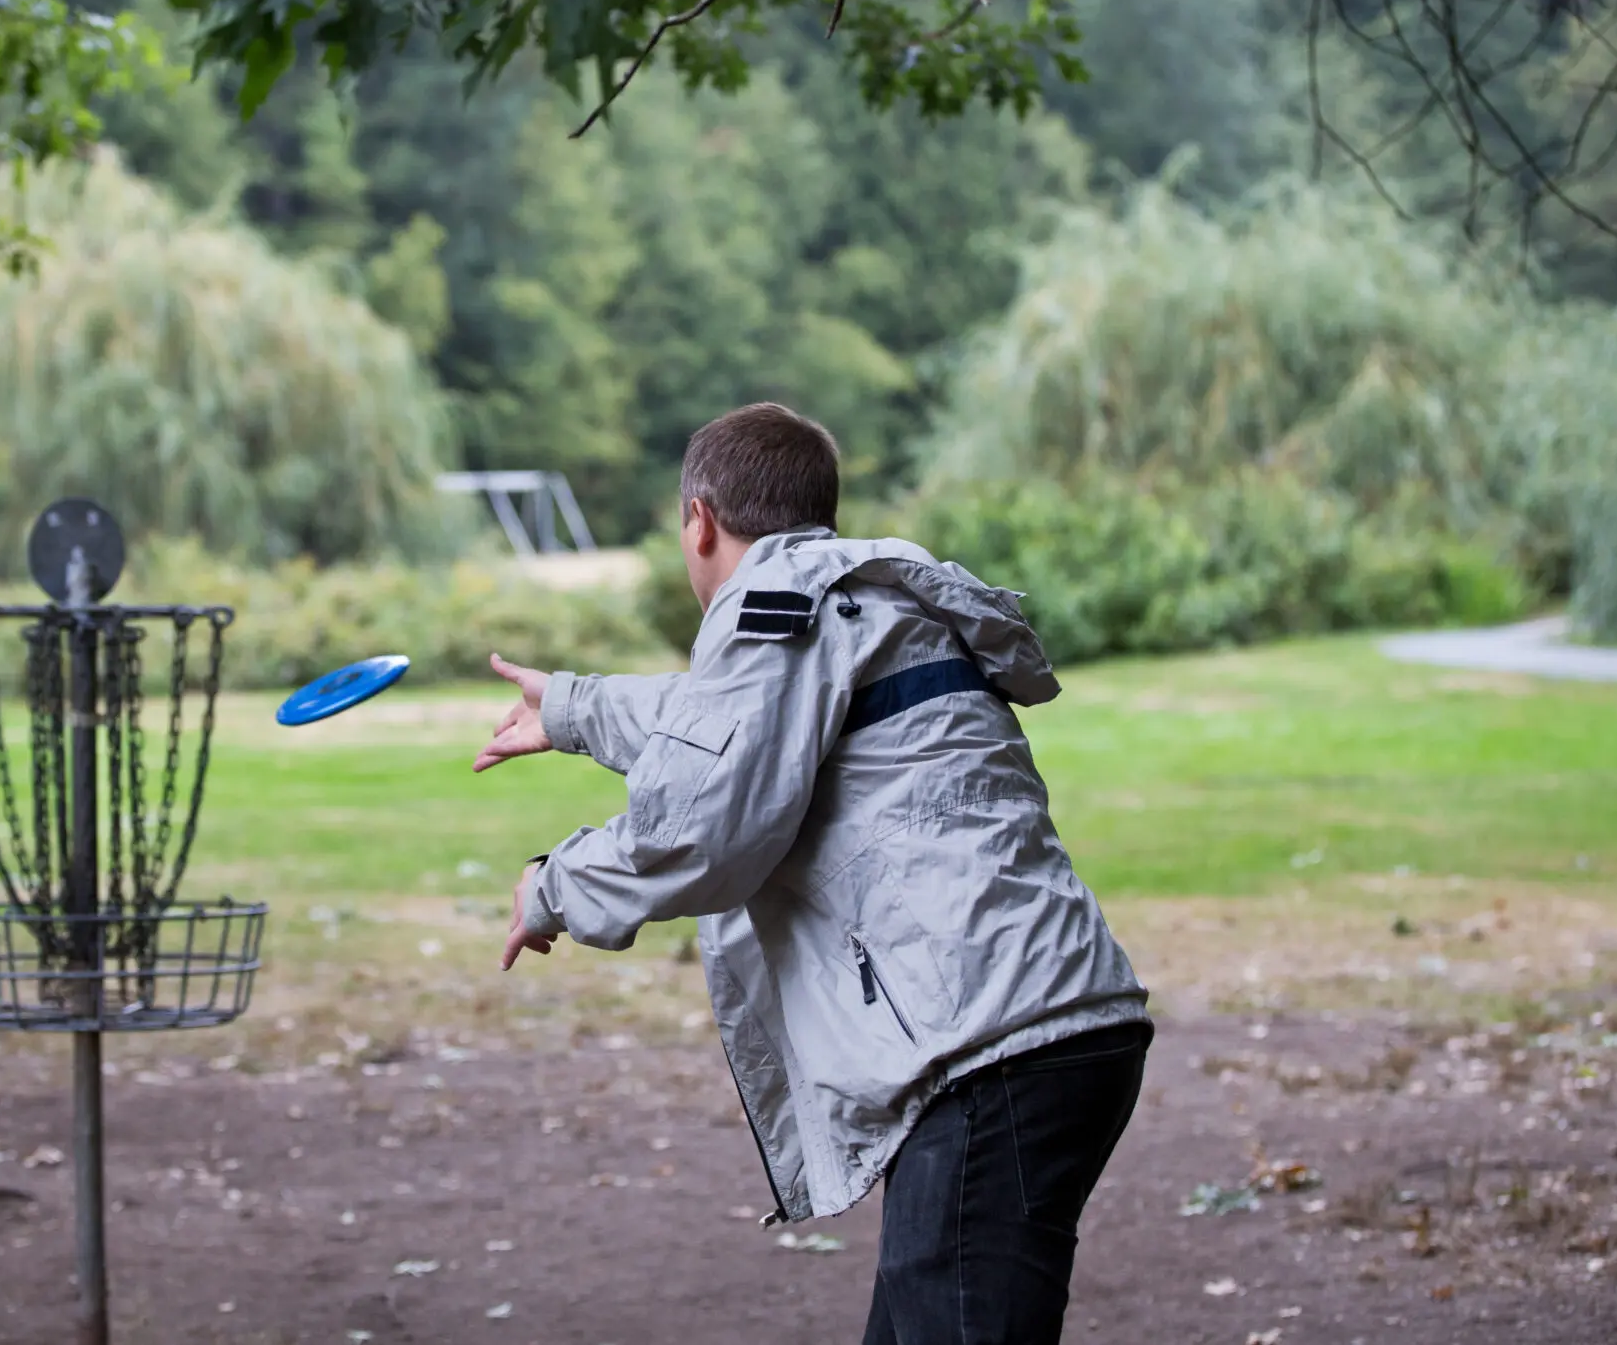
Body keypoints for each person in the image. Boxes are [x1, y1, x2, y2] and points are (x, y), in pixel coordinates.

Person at [472, 402, 1151, 1345]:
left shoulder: (773, 610)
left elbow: (701, 830)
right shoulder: (853, 603)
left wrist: (554, 884)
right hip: (1045, 1023)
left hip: (990, 1046)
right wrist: (573, 707)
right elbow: (729, 723)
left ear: (699, 521)